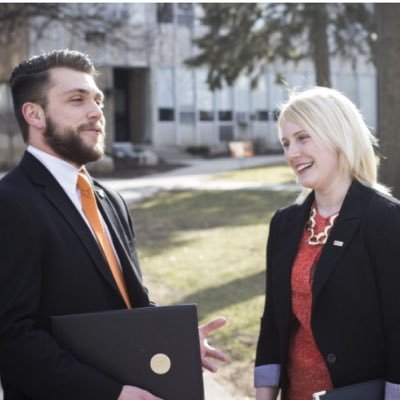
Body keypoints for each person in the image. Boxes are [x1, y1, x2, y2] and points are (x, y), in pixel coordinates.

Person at [0, 49, 228, 400]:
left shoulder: (111, 200)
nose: (96, 112)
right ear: (34, 113)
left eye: (98, 100)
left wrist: (176, 341)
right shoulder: (10, 203)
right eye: (77, 99)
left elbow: (129, 305)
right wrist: (111, 394)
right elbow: (11, 339)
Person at [254, 86, 400, 400]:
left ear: (338, 136)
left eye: (303, 137)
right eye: (286, 142)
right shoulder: (284, 223)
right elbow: (273, 323)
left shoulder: (386, 220)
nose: (292, 153)